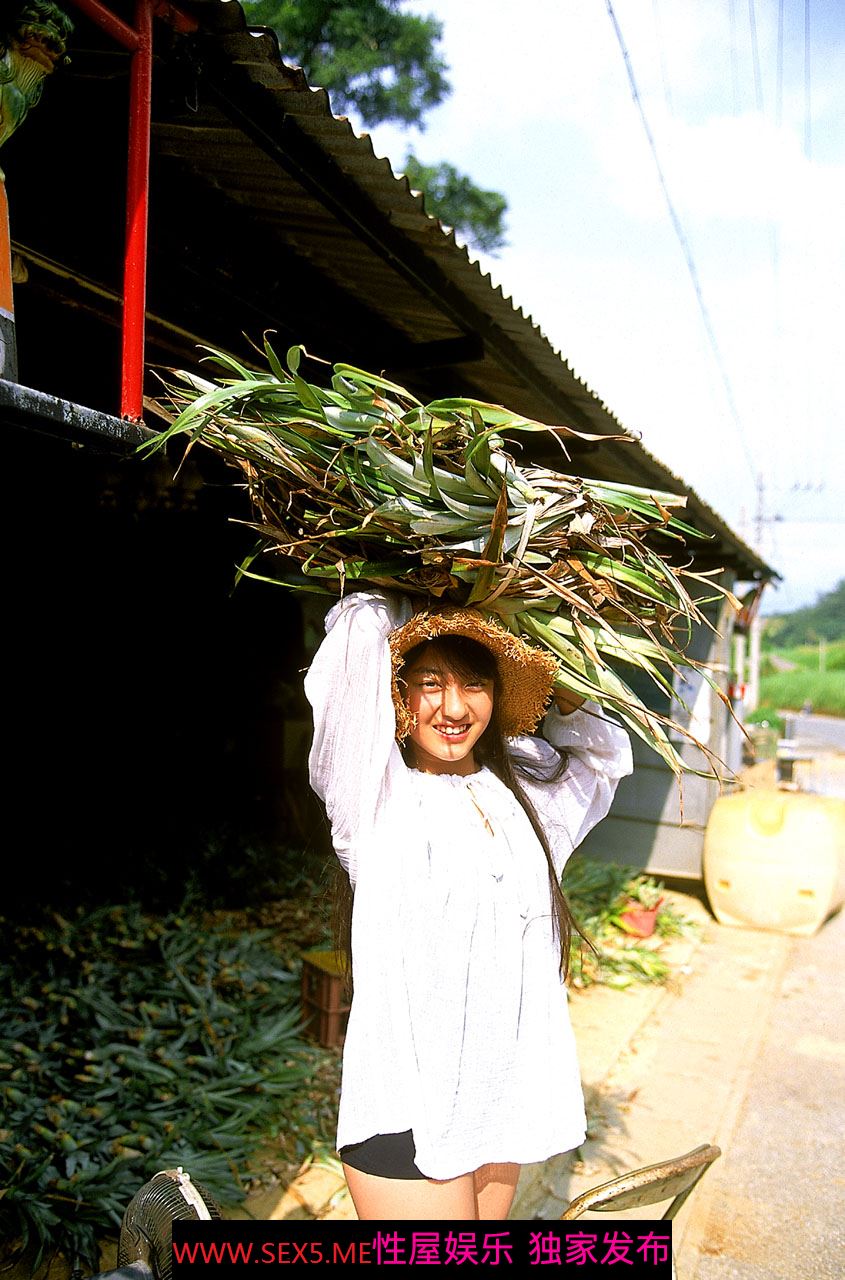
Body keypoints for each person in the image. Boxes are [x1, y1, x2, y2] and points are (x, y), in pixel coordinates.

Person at [304, 590, 633, 1221]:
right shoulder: (373, 799)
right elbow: (354, 645)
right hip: (406, 1108)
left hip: (497, 1100)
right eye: (430, 683)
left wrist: (563, 678)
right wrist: (423, 585)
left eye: (475, 684)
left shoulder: (528, 797)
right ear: (397, 692)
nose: (454, 708)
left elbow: (604, 758)